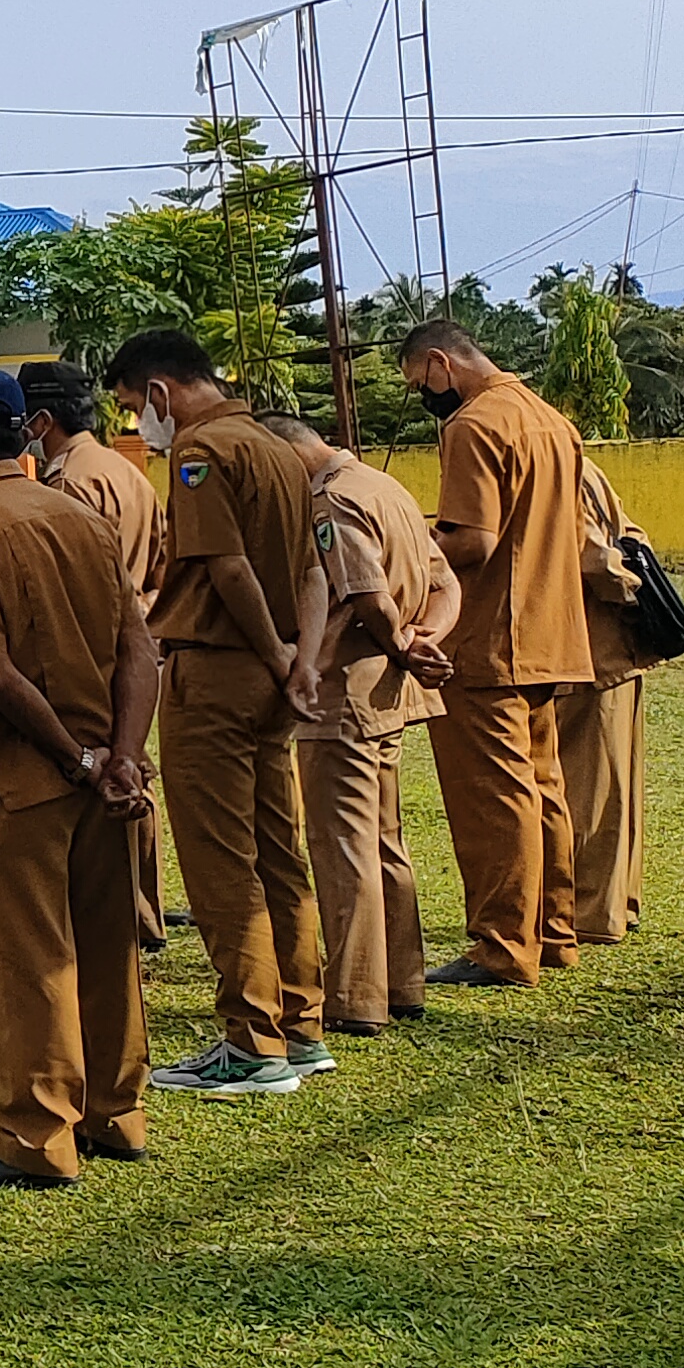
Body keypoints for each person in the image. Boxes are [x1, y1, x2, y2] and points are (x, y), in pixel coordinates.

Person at [0, 364, 160, 1190]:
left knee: (26, 961)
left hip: (24, 778)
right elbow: (137, 649)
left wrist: (74, 756)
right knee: (105, 945)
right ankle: (116, 1112)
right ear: (24, 432)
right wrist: (119, 755)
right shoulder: (80, 517)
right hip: (102, 777)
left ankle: (34, 1134)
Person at [103, 328, 327, 1100]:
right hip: (273, 675)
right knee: (277, 849)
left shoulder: (200, 455)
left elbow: (226, 567)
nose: (139, 425)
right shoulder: (277, 447)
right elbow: (310, 570)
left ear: (162, 392)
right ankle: (300, 1022)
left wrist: (271, 654)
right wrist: (301, 659)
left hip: (218, 672)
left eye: (136, 408)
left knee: (222, 861)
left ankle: (252, 1037)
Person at [398, 321, 593, 990]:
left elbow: (473, 540)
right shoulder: (549, 420)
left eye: (418, 384)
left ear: (439, 362)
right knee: (541, 788)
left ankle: (504, 947)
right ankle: (554, 932)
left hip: (488, 640)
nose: (423, 397)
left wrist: (402, 545)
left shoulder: (473, 427)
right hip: (550, 630)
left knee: (494, 799)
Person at [280, 412, 452, 1035]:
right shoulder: (387, 487)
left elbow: (365, 596)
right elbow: (443, 581)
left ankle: (356, 994)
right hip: (387, 692)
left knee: (343, 846)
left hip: (345, 692)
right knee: (384, 841)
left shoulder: (329, 502)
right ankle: (401, 981)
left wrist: (402, 641)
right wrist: (425, 638)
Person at [25, 358, 170, 954]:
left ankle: (121, 914)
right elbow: (162, 565)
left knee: (98, 777)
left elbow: (69, 583)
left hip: (93, 646)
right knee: (134, 769)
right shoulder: (127, 470)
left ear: (40, 419)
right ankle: (145, 910)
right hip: (136, 639)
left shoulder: (68, 483)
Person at [562, 453, 657, 951]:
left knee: (591, 787)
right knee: (618, 783)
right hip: (616, 649)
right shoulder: (589, 468)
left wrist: (626, 588)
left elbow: (592, 554)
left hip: (591, 650)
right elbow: (631, 534)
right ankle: (621, 899)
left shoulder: (556, 468)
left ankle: (591, 911)